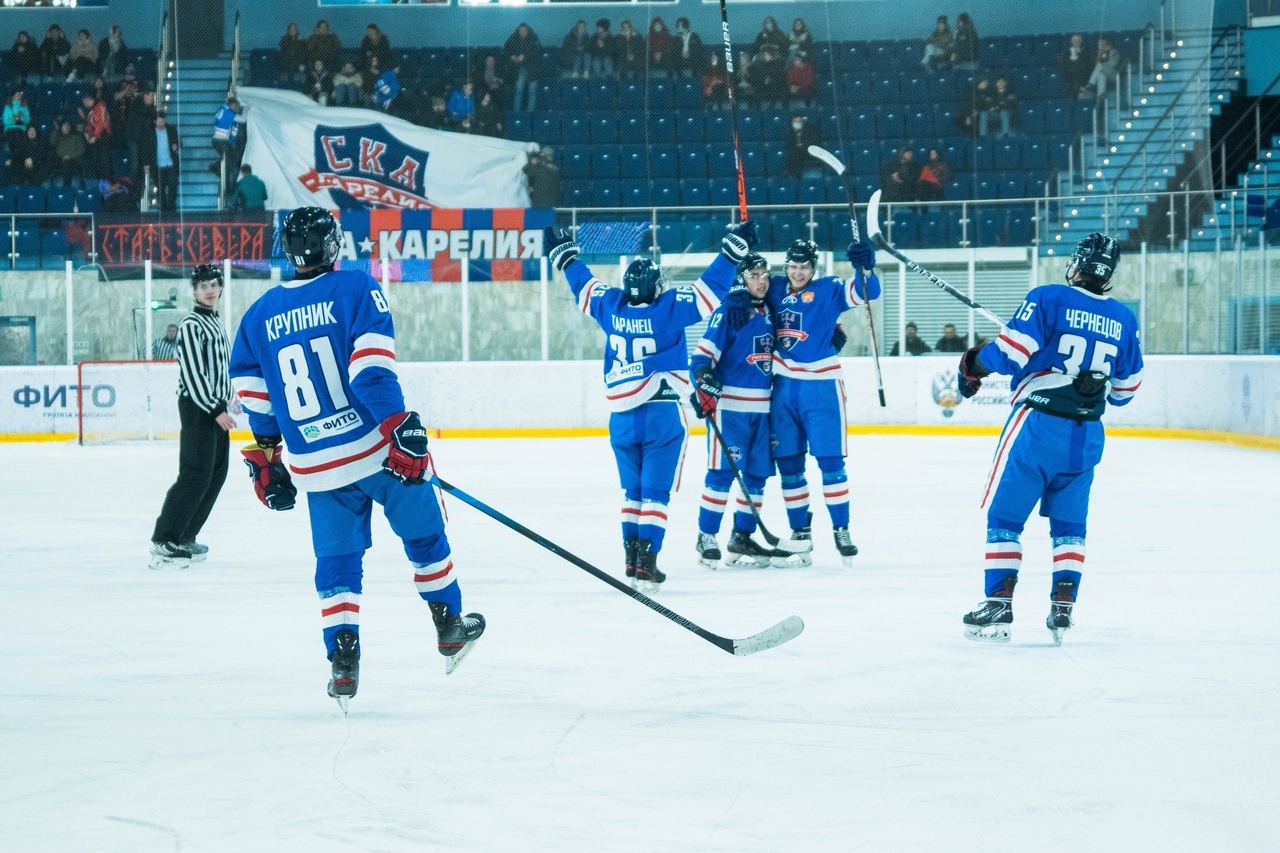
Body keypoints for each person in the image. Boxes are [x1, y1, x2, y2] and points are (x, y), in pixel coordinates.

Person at [228, 207, 486, 709]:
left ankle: (343, 662)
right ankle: (449, 625)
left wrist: (270, 457)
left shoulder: (257, 316)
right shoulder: (354, 288)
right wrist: (399, 427)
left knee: (338, 563)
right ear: (332, 247)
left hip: (315, 466)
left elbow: (257, 400)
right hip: (376, 450)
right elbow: (369, 373)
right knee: (425, 536)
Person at [955, 233, 1143, 644]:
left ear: (1077, 264)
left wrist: (973, 362)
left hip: (1038, 426)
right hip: (1088, 435)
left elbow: (1007, 356)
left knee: (1004, 518)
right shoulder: (1125, 319)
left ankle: (999, 605)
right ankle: (1063, 607)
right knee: (1070, 525)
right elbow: (1126, 393)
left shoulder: (1048, 297)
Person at [542, 222, 751, 591]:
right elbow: (710, 291)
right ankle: (647, 564)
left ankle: (630, 559)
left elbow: (585, 285)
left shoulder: (611, 305)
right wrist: (733, 252)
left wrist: (566, 257)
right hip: (660, 414)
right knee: (655, 494)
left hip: (620, 419)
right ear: (656, 288)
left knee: (632, 493)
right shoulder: (668, 309)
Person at [721, 238, 881, 567]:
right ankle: (800, 536)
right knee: (790, 468)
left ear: (814, 268)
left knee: (831, 464)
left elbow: (869, 292)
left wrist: (865, 267)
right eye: (793, 266)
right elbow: (749, 283)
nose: (798, 272)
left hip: (821, 388)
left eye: (804, 267)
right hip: (782, 388)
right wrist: (735, 295)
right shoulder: (776, 286)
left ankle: (842, 529)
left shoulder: (830, 287)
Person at [688, 252, 779, 569]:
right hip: (731, 409)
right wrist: (703, 382)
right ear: (741, 278)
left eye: (764, 275)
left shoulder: (771, 309)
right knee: (722, 473)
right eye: (754, 275)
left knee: (756, 477)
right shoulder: (729, 310)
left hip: (763, 409)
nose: (761, 281)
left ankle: (742, 537)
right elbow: (700, 359)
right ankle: (706, 535)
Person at [149, 265, 236, 569]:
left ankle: (185, 535)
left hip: (217, 408)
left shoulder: (217, 324)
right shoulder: (191, 324)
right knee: (195, 473)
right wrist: (215, 409)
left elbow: (221, 369)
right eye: (203, 286)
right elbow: (193, 372)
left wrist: (230, 397)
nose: (209, 290)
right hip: (199, 408)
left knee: (216, 473)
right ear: (194, 291)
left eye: (214, 284)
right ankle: (165, 537)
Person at [504, 22, 540, 112]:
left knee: (532, 92)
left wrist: (524, 57)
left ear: (527, 30)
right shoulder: (513, 37)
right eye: (520, 30)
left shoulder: (534, 38)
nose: (522, 32)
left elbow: (537, 53)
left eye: (524, 30)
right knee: (518, 92)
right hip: (518, 68)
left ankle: (530, 115)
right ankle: (517, 115)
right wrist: (512, 56)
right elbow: (507, 48)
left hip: (532, 69)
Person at [152, 112, 180, 213]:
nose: (161, 124)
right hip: (158, 165)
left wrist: (176, 145)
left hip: (170, 164)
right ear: (155, 122)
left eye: (163, 121)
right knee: (160, 190)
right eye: (159, 122)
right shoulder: (151, 132)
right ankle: (163, 210)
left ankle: (172, 208)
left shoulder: (171, 129)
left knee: (173, 187)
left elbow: (179, 142)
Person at [783, 114, 821, 178]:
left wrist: (804, 145)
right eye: (794, 121)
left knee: (795, 154)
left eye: (798, 121)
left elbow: (816, 142)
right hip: (798, 153)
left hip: (810, 151)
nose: (796, 123)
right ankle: (796, 176)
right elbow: (788, 144)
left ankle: (788, 171)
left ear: (802, 121)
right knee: (795, 155)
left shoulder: (810, 129)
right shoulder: (792, 131)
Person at [51, 119, 87, 184]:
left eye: (68, 126)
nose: (66, 128)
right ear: (61, 127)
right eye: (64, 126)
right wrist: (56, 131)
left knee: (68, 163)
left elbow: (82, 150)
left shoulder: (77, 135)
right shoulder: (59, 136)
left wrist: (70, 156)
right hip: (61, 159)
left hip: (75, 160)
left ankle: (66, 186)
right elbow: (52, 143)